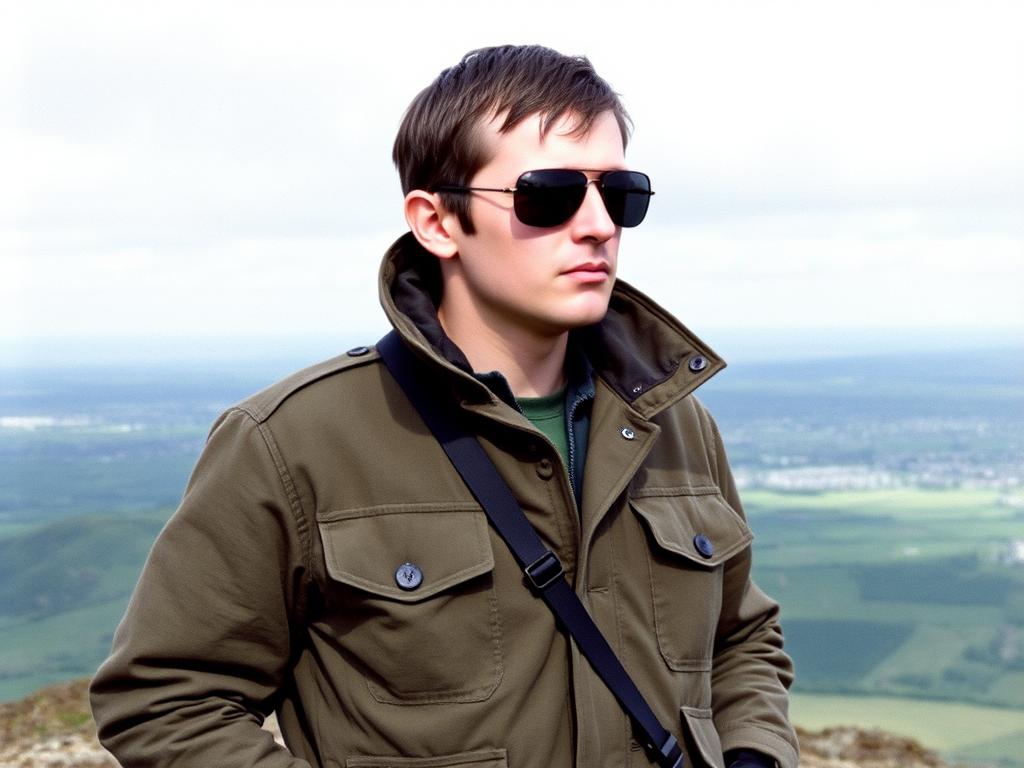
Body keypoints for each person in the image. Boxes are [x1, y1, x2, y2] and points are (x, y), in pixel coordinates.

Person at [90, 44, 798, 768]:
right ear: (435, 222)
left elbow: (741, 640)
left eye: (621, 195)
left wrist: (753, 756)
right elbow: (165, 698)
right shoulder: (293, 442)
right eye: (548, 195)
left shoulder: (673, 424)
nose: (597, 225)